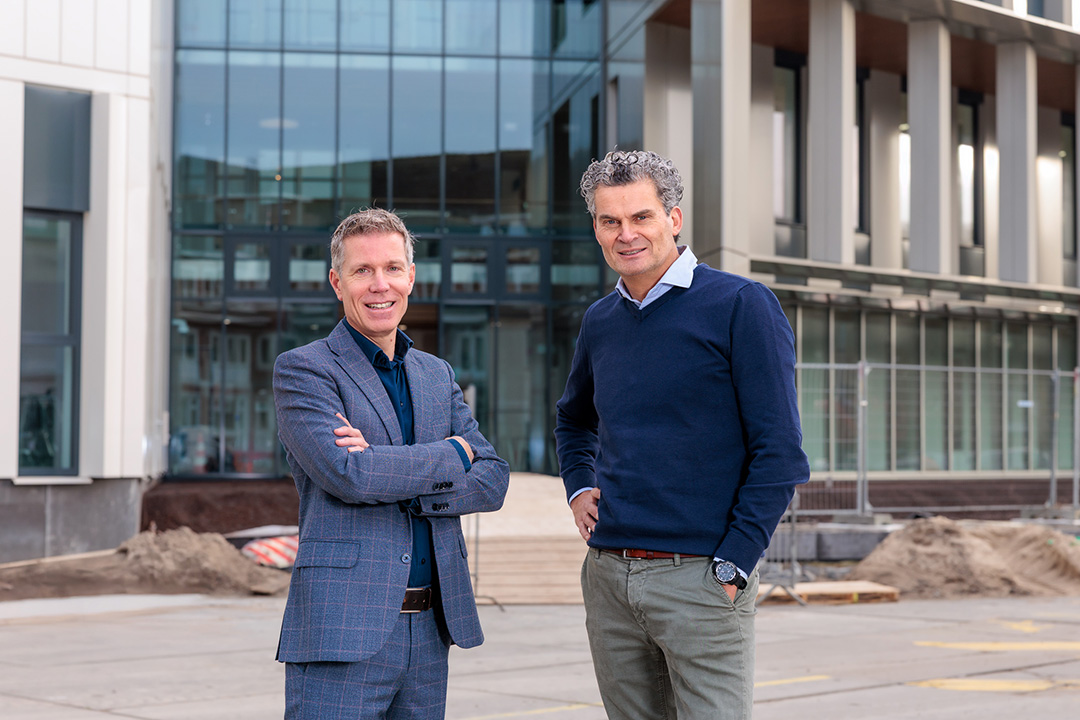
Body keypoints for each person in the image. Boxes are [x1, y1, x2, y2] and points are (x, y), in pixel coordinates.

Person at [554, 150, 810, 720]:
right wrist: (578, 485)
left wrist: (734, 565)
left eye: (640, 217)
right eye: (609, 221)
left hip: (701, 577)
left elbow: (781, 454)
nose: (626, 234)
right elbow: (573, 418)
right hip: (609, 576)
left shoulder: (741, 305)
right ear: (595, 227)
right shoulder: (601, 320)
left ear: (674, 218)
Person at [273, 208, 510, 719]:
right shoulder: (304, 370)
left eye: (392, 269)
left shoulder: (435, 373)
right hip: (341, 630)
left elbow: (491, 479)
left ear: (411, 276)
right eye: (362, 271)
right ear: (337, 281)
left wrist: (389, 467)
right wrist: (452, 455)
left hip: (431, 632)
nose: (380, 285)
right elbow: (348, 475)